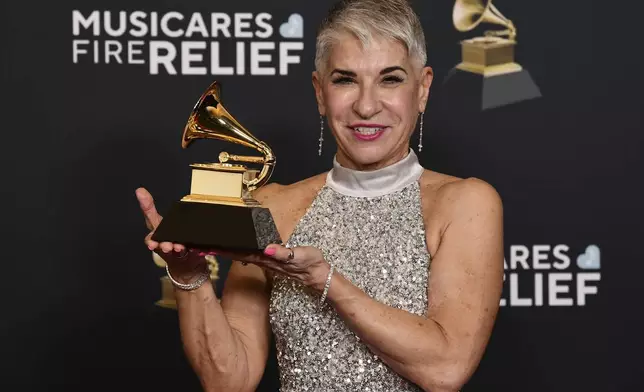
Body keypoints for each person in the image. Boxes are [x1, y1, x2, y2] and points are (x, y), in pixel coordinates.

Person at [136, 0, 504, 391]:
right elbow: (229, 380)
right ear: (319, 91)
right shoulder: (271, 206)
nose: (366, 105)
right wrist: (189, 277)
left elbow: (446, 369)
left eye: (390, 79)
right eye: (345, 79)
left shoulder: (465, 204)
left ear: (423, 88)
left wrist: (325, 280)